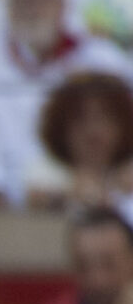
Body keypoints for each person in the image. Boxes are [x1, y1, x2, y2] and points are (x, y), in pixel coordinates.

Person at [0, 0, 130, 203]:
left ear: (63, 2)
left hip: (102, 189)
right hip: (14, 200)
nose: (31, 9)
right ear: (7, 7)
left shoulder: (105, 60)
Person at [23, 70, 133, 210]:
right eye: (80, 119)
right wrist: (66, 196)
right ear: (61, 126)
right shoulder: (44, 174)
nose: (93, 130)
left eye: (105, 118)